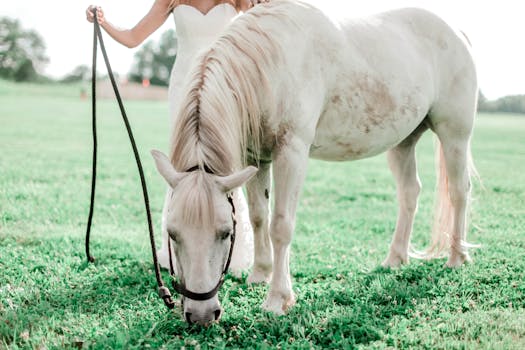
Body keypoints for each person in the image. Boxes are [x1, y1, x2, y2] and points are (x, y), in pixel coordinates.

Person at [86, 0, 269, 274]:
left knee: (224, 161)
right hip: (184, 85)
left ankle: (234, 248)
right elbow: (134, 38)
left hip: (226, 87)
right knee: (184, 163)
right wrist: (103, 21)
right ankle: (177, 246)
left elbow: (264, 26)